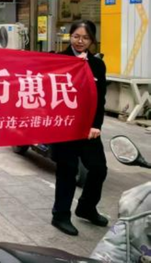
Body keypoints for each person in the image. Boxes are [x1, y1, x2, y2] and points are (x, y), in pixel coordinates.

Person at [51, 20, 108, 236]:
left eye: (85, 38)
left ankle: (86, 208)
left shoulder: (97, 65)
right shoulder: (58, 60)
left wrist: (96, 125)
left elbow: (100, 99)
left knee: (99, 169)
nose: (80, 41)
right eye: (76, 36)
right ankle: (60, 215)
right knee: (67, 170)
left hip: (87, 128)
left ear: (92, 40)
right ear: (70, 36)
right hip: (65, 126)